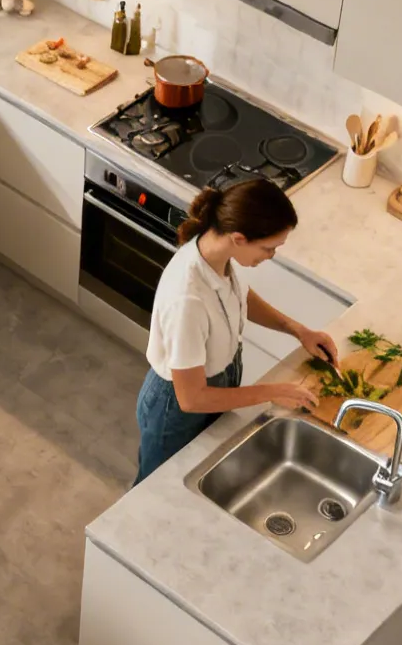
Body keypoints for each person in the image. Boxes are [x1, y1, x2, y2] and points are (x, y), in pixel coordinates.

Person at [135, 178, 338, 483]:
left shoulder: (215, 253)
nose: (271, 256)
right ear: (239, 238)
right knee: (156, 488)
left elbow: (239, 295)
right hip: (176, 407)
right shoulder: (187, 298)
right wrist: (273, 392)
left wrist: (298, 330)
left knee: (198, 475)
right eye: (268, 248)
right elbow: (190, 399)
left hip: (216, 383)